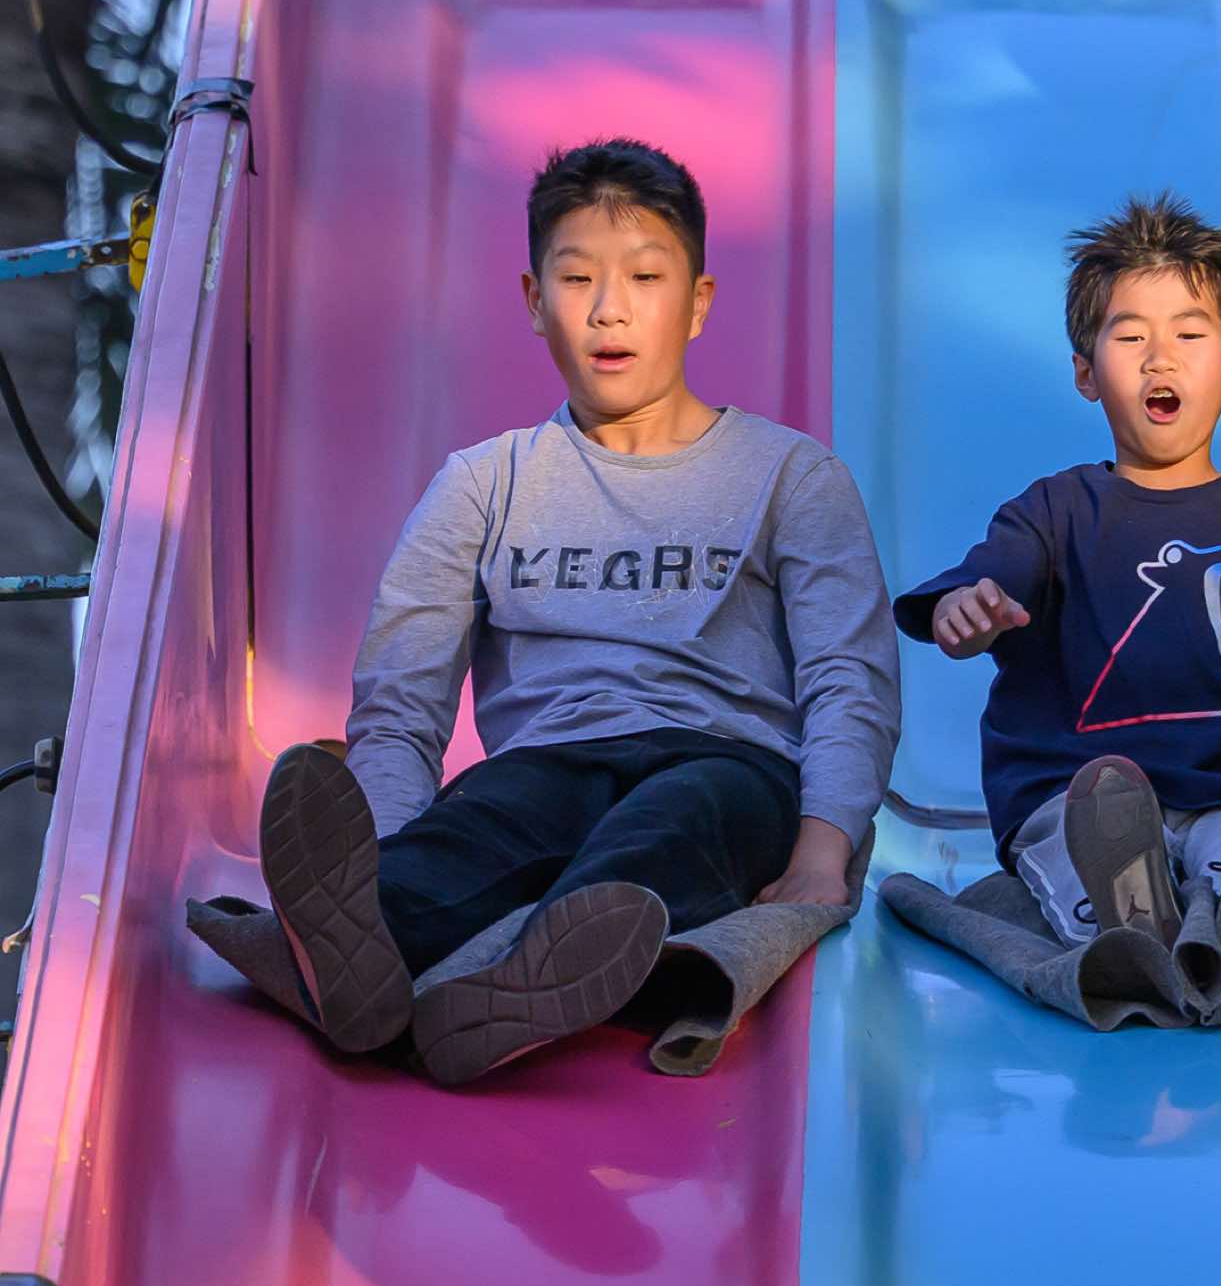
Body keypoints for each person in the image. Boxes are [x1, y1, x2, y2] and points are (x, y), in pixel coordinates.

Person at [231, 138, 900, 1084]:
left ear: (698, 302)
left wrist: (823, 852)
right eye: (577, 278)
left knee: (668, 829)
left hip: (728, 762)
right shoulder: (484, 482)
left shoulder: (792, 475)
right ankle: (360, 949)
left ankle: (524, 973)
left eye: (646, 278)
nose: (608, 308)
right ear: (534, 299)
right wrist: (385, 844)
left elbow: (849, 677)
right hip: (548, 761)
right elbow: (403, 700)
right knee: (475, 833)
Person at [892, 194, 1221, 948]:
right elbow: (985, 586)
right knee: (1083, 826)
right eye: (1130, 337)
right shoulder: (1053, 510)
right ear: (1086, 374)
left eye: (1190, 333)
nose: (1161, 357)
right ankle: (1126, 913)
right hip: (1076, 787)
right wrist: (965, 611)